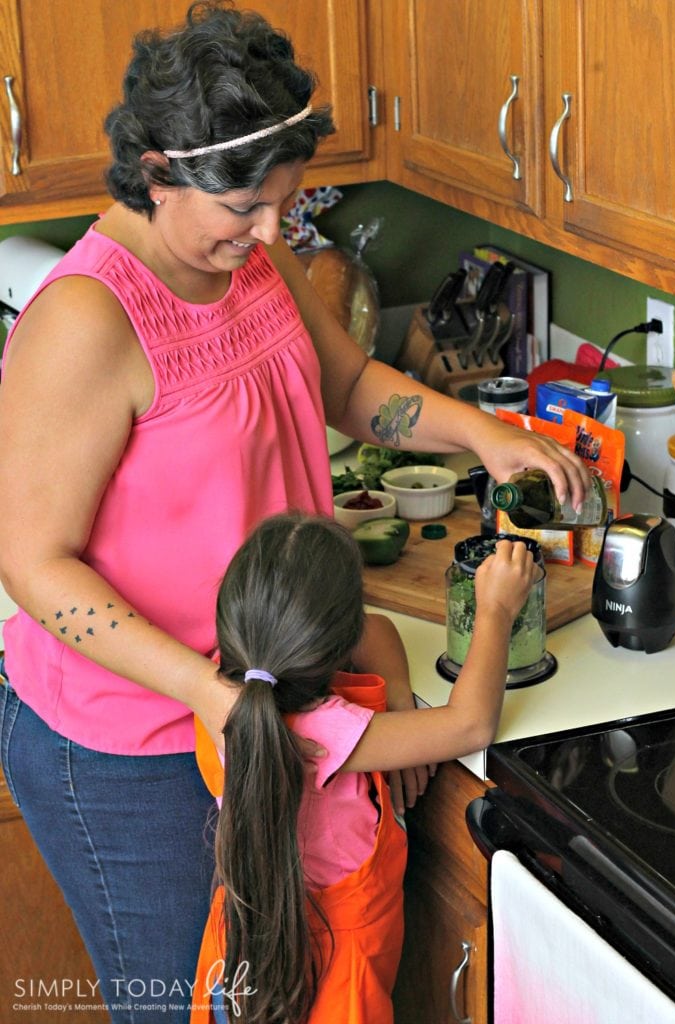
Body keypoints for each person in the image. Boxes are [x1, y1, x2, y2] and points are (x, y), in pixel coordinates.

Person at [0, 1, 589, 1020]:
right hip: (138, 746)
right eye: (244, 211)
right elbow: (32, 561)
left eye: (284, 203)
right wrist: (207, 693)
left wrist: (478, 433)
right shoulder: (85, 322)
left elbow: (350, 384)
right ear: (155, 173)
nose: (271, 232)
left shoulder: (250, 258)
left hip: (270, 707)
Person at [188, 512, 536, 1024]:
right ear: (339, 639)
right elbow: (471, 725)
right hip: (334, 975)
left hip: (237, 951)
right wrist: (497, 610)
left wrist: (395, 696)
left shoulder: (223, 688)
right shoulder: (329, 732)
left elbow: (375, 629)